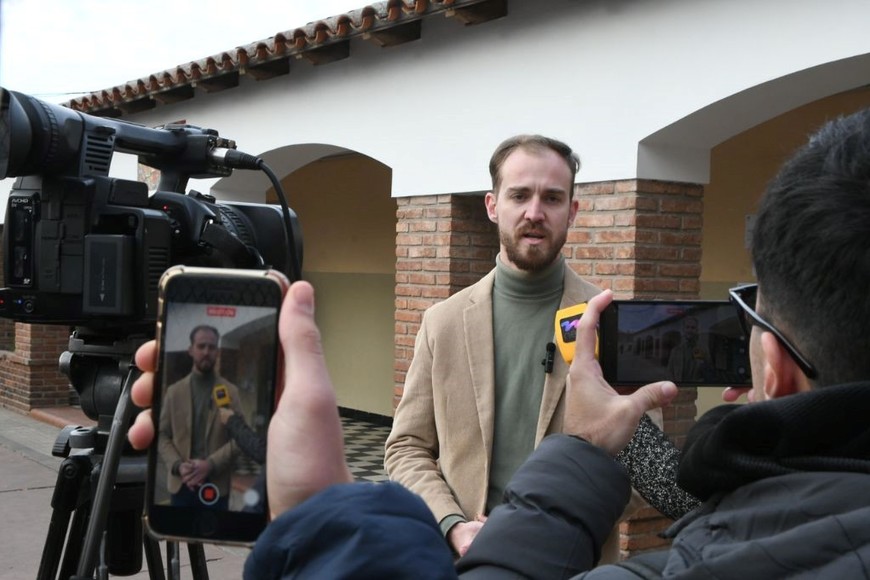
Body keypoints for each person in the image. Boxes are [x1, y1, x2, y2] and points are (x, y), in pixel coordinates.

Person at [384, 134, 694, 558]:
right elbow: (406, 448)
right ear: (493, 206)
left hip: (571, 560)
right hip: (464, 560)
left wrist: (554, 518)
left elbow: (646, 475)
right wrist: (454, 525)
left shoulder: (610, 325)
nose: (535, 212)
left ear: (572, 211)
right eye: (519, 195)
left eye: (552, 198)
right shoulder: (444, 323)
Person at [157, 325, 244, 510]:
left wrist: (210, 464)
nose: (206, 352)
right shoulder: (174, 392)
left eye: (211, 347)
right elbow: (162, 434)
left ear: (218, 352)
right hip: (181, 483)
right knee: (177, 535)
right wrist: (178, 466)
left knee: (215, 536)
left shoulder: (231, 392)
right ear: (191, 350)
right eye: (201, 346)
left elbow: (240, 438)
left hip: (216, 485)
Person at [666, 315, 712, 382]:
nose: (689, 330)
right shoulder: (675, 351)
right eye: (687, 327)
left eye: (693, 328)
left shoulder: (704, 350)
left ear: (697, 330)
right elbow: (669, 372)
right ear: (683, 329)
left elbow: (709, 372)